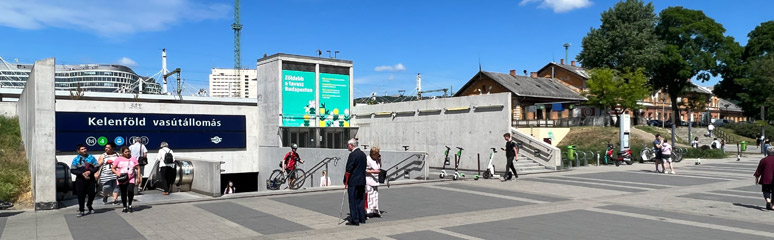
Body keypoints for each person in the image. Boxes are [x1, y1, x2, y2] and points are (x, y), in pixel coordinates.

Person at [343, 138, 367, 226]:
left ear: (351, 145)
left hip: (353, 181)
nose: (347, 147)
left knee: (353, 200)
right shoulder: (363, 154)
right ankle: (361, 217)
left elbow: (349, 168)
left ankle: (354, 219)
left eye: (348, 145)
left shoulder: (353, 155)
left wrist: (345, 180)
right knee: (360, 200)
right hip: (361, 180)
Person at [71, 144, 98, 217]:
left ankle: (89, 205)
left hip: (91, 179)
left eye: (85, 148)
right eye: (82, 149)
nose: (84, 150)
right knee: (81, 195)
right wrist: (82, 174)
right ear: (78, 151)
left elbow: (97, 167)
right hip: (80, 180)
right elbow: (72, 170)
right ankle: (81, 210)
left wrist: (90, 172)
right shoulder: (76, 159)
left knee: (92, 193)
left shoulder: (91, 157)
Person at [112, 146, 140, 213]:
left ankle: (130, 205)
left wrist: (139, 177)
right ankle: (124, 206)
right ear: (122, 153)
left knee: (130, 191)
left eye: (128, 151)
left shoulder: (133, 159)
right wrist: (117, 173)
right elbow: (113, 168)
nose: (128, 153)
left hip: (131, 177)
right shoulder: (118, 159)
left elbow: (138, 168)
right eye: (126, 152)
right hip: (122, 178)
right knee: (123, 192)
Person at [365, 147, 382, 218]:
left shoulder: (377, 159)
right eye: (377, 154)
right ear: (373, 154)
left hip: (375, 180)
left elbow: (379, 166)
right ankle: (367, 212)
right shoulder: (367, 159)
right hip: (369, 180)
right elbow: (365, 170)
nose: (378, 156)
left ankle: (375, 210)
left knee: (375, 196)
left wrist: (380, 160)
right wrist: (373, 171)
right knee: (369, 196)